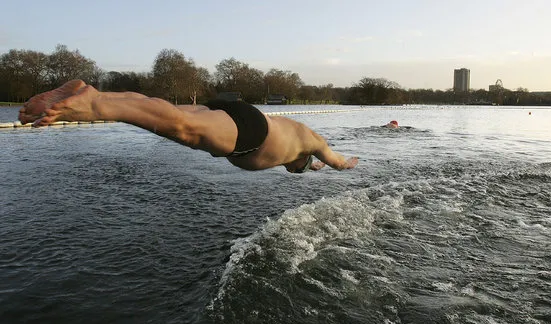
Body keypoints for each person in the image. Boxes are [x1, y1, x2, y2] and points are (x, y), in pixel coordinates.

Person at [18, 80, 358, 173]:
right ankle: (94, 104)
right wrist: (347, 164)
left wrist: (313, 165)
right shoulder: (314, 141)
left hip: (239, 113)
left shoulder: (302, 143)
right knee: (181, 127)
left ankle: (99, 94)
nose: (294, 169)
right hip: (252, 135)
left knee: (166, 109)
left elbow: (314, 162)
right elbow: (336, 160)